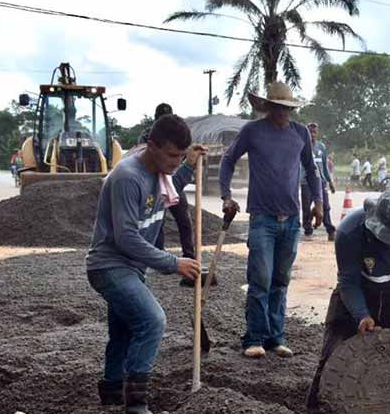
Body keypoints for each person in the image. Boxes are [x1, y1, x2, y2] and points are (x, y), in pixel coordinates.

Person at [86, 115, 204, 414]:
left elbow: (174, 181)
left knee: (124, 329)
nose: (176, 161)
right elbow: (126, 238)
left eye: (181, 155)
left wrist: (191, 164)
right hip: (109, 265)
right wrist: (172, 263)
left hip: (131, 267)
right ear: (151, 146)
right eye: (172, 155)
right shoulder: (128, 176)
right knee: (152, 320)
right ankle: (136, 403)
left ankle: (112, 390)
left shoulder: (161, 172)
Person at [306, 189, 390, 414]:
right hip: (358, 290)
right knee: (334, 355)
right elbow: (349, 281)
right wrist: (361, 315)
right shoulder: (349, 231)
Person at [219, 81, 323, 358]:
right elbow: (228, 160)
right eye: (277, 108)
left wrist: (318, 202)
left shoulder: (300, 133)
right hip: (262, 219)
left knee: (280, 280)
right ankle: (253, 339)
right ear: (268, 107)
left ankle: (275, 338)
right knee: (260, 280)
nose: (282, 113)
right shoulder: (253, 131)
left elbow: (312, 171)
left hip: (291, 220)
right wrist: (226, 196)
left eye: (286, 108)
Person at [137, 103, 196, 265]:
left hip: (172, 183)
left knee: (184, 219)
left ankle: (189, 255)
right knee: (157, 220)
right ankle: (159, 254)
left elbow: (180, 157)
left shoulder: (178, 135)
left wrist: (189, 159)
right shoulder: (148, 136)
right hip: (155, 184)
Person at [309, 122, 337, 241]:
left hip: (321, 181)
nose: (312, 134)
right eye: (310, 132)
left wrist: (330, 181)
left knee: (325, 206)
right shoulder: (303, 146)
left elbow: (325, 167)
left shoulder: (322, 147)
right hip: (307, 181)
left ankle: (330, 229)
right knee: (306, 206)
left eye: (314, 132)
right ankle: (307, 227)